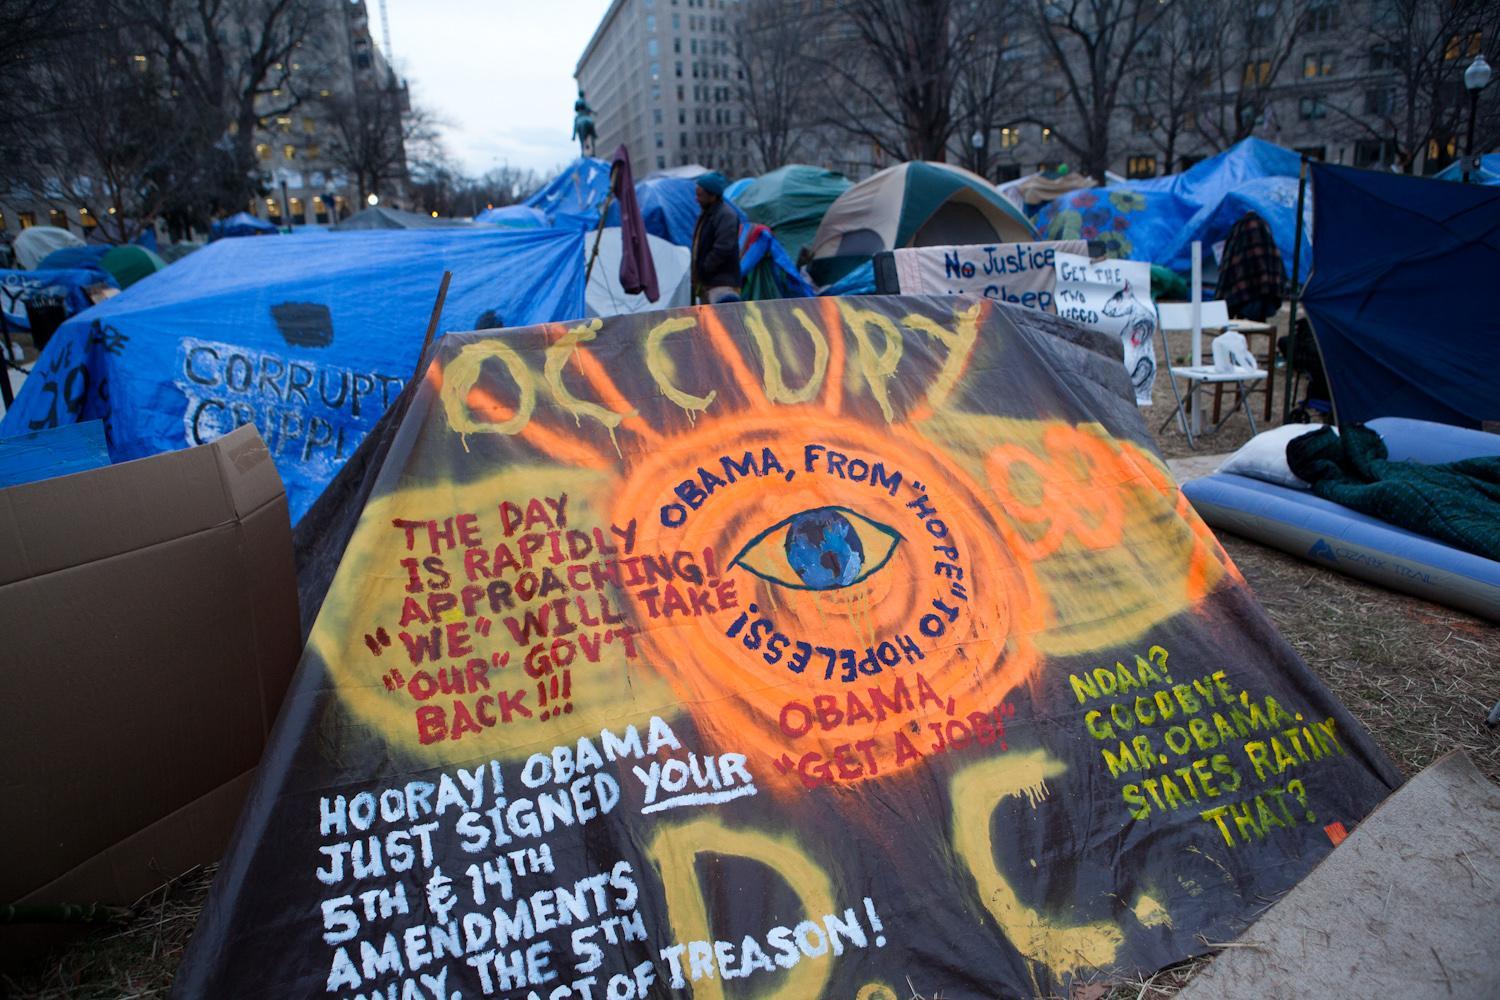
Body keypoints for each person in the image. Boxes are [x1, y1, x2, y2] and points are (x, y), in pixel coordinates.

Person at [691, 172, 741, 304]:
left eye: (700, 195)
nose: (696, 199)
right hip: (709, 284)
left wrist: (704, 269)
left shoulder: (726, 215)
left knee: (723, 322)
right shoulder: (707, 214)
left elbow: (723, 248)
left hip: (722, 285)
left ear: (712, 196)